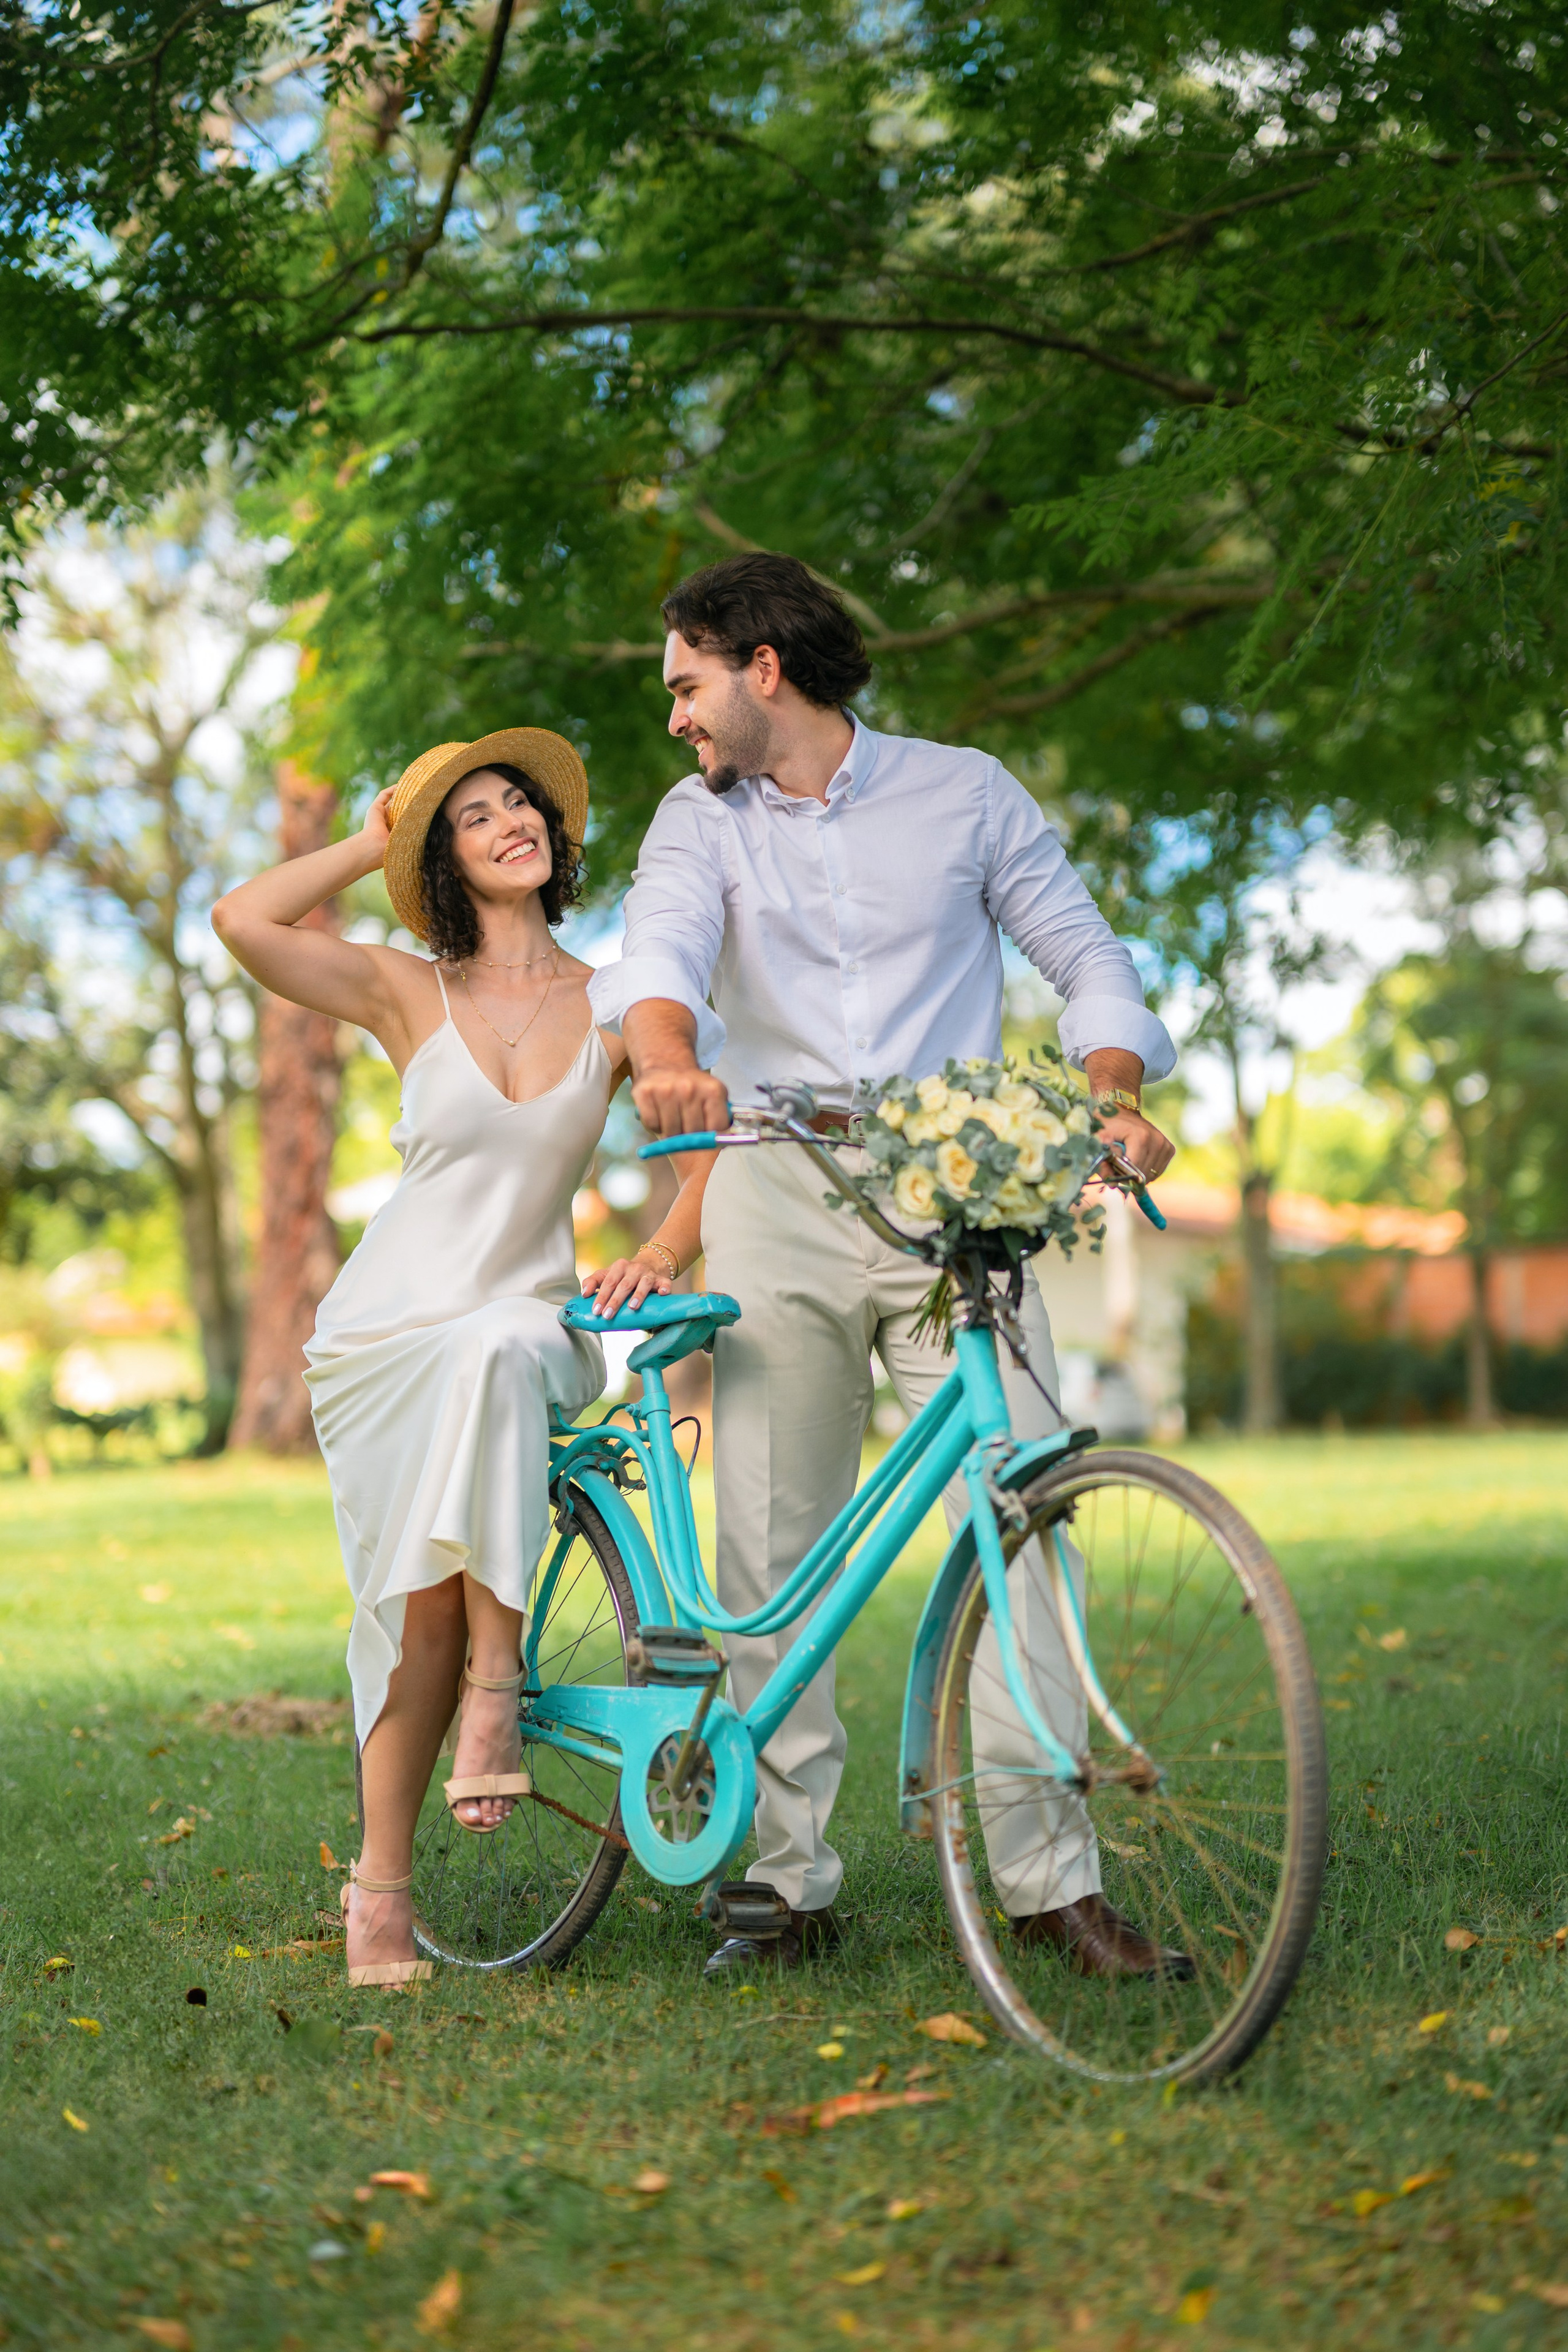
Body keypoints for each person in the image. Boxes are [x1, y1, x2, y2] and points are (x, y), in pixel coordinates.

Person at [588, 554, 1182, 1980]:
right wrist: (666, 1060)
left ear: (760, 666)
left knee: (1022, 1502)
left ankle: (1048, 1881)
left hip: (949, 1184)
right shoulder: (695, 821)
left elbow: (1080, 952)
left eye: (683, 684)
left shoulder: (964, 791)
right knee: (773, 1539)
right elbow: (656, 955)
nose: (674, 716)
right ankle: (788, 1878)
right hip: (773, 1190)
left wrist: (1107, 1085)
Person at [212, 730, 706, 1988]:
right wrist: (369, 841)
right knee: (409, 1607)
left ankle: (501, 1684)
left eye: (520, 804)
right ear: (444, 860)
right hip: (383, 1338)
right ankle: (377, 1897)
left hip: (529, 1325)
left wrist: (664, 1240)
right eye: (473, 816)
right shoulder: (402, 988)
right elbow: (243, 918)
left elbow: (704, 1121)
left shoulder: (615, 995)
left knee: (497, 1349)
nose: (507, 823)